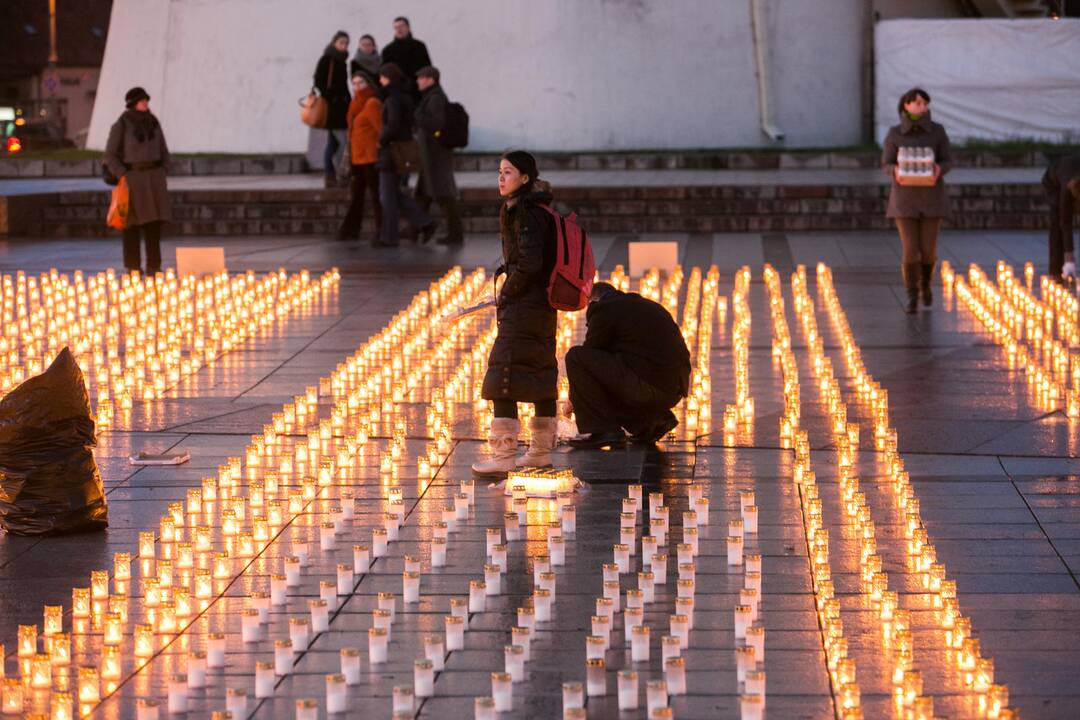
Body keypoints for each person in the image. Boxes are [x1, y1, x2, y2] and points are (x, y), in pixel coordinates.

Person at [472, 151, 559, 475]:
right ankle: (539, 453)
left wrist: (506, 291)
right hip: (541, 307)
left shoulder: (527, 214)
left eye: (508, 172)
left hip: (525, 306)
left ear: (525, 178)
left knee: (503, 375)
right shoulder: (530, 210)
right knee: (540, 373)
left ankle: (504, 456)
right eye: (499, 172)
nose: (501, 178)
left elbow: (530, 264)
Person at [564, 283, 691, 448]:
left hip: (649, 386)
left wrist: (574, 398)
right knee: (613, 372)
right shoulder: (639, 306)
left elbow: (590, 355)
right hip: (673, 389)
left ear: (593, 301)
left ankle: (603, 430)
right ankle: (651, 422)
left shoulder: (605, 308)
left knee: (575, 357)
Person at [882, 87, 951, 314]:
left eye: (924, 103)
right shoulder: (895, 134)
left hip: (931, 198)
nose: (921, 107)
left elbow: (948, 159)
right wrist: (895, 171)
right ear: (906, 105)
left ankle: (926, 286)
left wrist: (940, 168)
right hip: (905, 200)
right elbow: (886, 163)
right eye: (917, 103)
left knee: (928, 250)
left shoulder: (937, 131)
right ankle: (912, 294)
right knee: (911, 250)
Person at [103, 86, 170, 275]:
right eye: (142, 100)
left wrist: (164, 169)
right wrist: (123, 174)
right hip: (133, 181)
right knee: (131, 226)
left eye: (146, 100)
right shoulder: (122, 124)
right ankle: (133, 266)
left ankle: (154, 266)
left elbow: (163, 149)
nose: (145, 103)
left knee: (153, 226)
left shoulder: (153, 122)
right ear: (133, 103)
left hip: (154, 180)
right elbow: (110, 155)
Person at [375, 63, 434, 247]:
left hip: (391, 151)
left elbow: (392, 124)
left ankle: (390, 237)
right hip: (402, 150)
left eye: (382, 77)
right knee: (394, 194)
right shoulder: (406, 97)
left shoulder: (392, 99)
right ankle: (425, 223)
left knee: (387, 196)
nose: (380, 81)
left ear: (388, 78)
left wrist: (382, 140)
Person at [413, 66, 464, 246]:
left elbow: (436, 123)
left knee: (443, 194)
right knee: (423, 193)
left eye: (420, 78)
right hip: (430, 154)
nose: (418, 81)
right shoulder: (432, 96)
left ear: (430, 79)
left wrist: (418, 117)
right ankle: (417, 228)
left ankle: (455, 233)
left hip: (435, 154)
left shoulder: (435, 98)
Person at [337, 71, 383, 242]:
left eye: (361, 83)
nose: (357, 87)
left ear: (368, 84)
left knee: (376, 195)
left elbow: (381, 130)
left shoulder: (372, 103)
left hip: (370, 158)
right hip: (357, 158)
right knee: (357, 195)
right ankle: (350, 229)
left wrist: (378, 147)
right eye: (354, 83)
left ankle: (381, 230)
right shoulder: (355, 103)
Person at [314, 31, 351, 188]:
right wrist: (332, 97)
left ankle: (330, 175)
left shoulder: (342, 61)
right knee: (342, 143)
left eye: (346, 43)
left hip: (343, 108)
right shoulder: (327, 59)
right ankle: (340, 174)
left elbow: (344, 86)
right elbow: (318, 81)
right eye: (341, 42)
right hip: (333, 108)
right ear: (334, 42)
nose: (344, 46)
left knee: (333, 143)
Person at [1041, 154, 1080, 282]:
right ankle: (1056, 271)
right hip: (1053, 184)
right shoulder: (1066, 190)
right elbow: (1066, 221)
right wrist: (1069, 257)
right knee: (1057, 223)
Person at [381, 16, 431, 99]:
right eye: (396, 27)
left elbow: (427, 69)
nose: (399, 29)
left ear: (408, 27)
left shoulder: (419, 46)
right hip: (397, 94)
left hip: (418, 91)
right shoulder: (387, 51)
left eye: (401, 26)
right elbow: (384, 75)